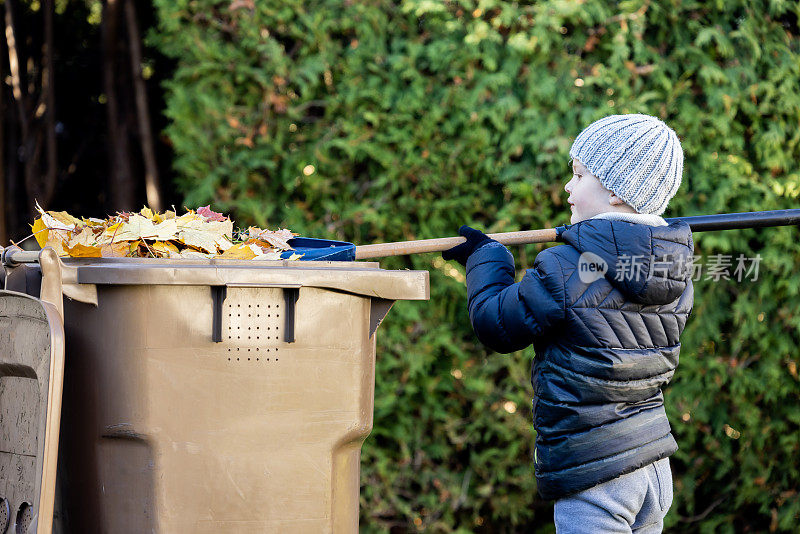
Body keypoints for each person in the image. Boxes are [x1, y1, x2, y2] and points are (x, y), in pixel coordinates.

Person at [442, 114, 694, 533]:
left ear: (615, 192)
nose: (568, 188)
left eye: (579, 176)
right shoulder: (676, 271)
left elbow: (495, 323)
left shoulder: (568, 266)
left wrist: (487, 257)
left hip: (597, 473)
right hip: (652, 463)